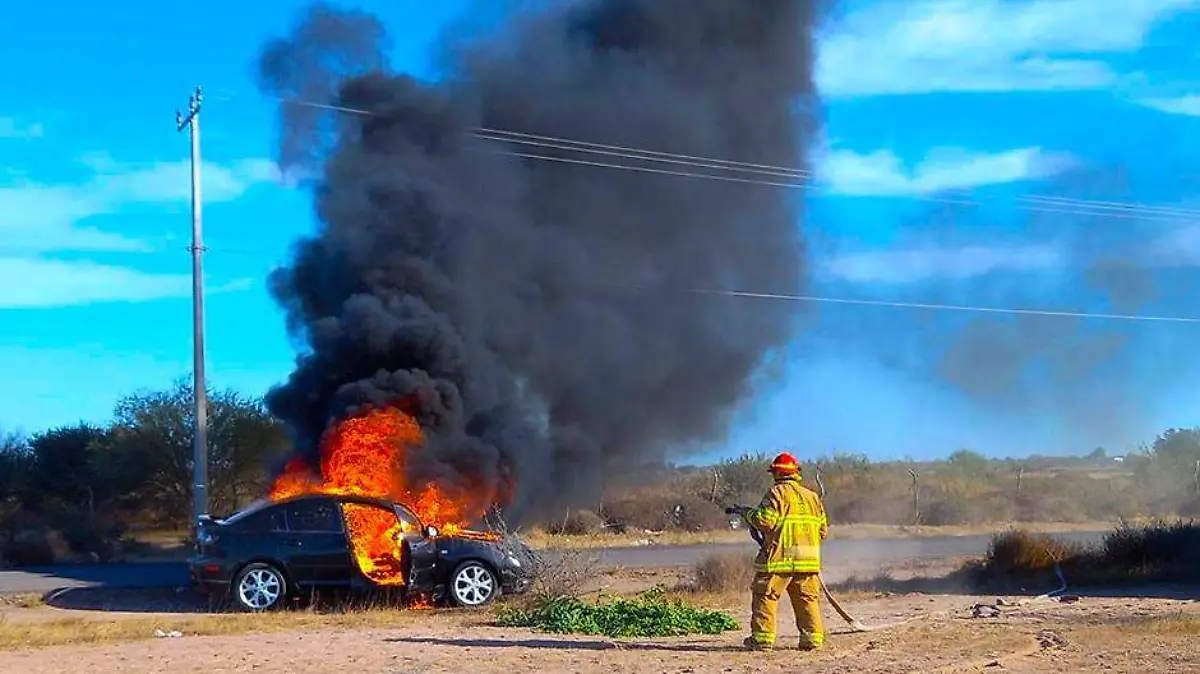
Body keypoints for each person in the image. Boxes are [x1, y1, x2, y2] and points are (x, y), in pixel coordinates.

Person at [741, 451, 829, 651]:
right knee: (807, 600)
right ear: (796, 472)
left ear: (776, 474)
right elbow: (823, 531)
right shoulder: (812, 497)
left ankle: (762, 640)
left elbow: (765, 521)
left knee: (765, 596)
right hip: (808, 562)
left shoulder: (776, 493)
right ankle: (812, 640)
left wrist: (748, 514)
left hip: (779, 560)